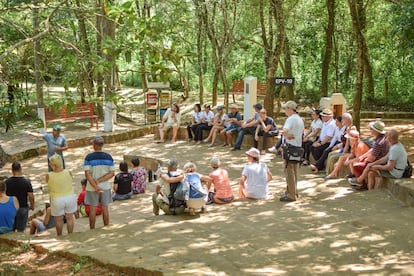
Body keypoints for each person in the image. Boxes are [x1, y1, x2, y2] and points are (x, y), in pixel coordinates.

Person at [83, 136, 115, 229]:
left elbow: (87, 174)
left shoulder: (89, 157)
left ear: (94, 145)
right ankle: (106, 227)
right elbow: (112, 173)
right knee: (105, 208)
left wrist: (95, 185)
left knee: (92, 209)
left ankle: (92, 229)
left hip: (91, 187)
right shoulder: (109, 157)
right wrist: (100, 181)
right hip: (105, 186)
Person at [348, 120, 390, 190]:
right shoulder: (384, 139)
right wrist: (364, 157)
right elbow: (372, 151)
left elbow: (372, 158)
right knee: (362, 163)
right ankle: (361, 183)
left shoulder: (378, 143)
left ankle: (361, 184)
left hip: (380, 163)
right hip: (383, 161)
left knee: (356, 166)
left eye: (371, 129)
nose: (370, 130)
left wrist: (365, 159)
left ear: (376, 131)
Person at [280, 100, 304, 202]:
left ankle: (291, 194)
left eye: (285, 108)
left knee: (288, 170)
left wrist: (287, 135)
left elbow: (285, 130)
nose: (284, 110)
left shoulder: (290, 119)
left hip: (290, 147)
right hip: (298, 147)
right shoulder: (299, 119)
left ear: (289, 109)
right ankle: (294, 191)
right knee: (295, 170)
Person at [46, 154, 76, 236]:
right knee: (70, 218)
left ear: (53, 165)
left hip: (57, 199)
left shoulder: (49, 175)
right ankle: (71, 235)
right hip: (69, 197)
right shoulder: (68, 172)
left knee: (58, 219)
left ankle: (60, 235)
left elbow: (48, 186)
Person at [5, 162, 34, 232]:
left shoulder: (7, 182)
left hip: (11, 207)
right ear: (20, 169)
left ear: (12, 170)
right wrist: (32, 205)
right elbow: (31, 196)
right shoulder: (26, 182)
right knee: (21, 230)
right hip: (23, 207)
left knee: (11, 229)